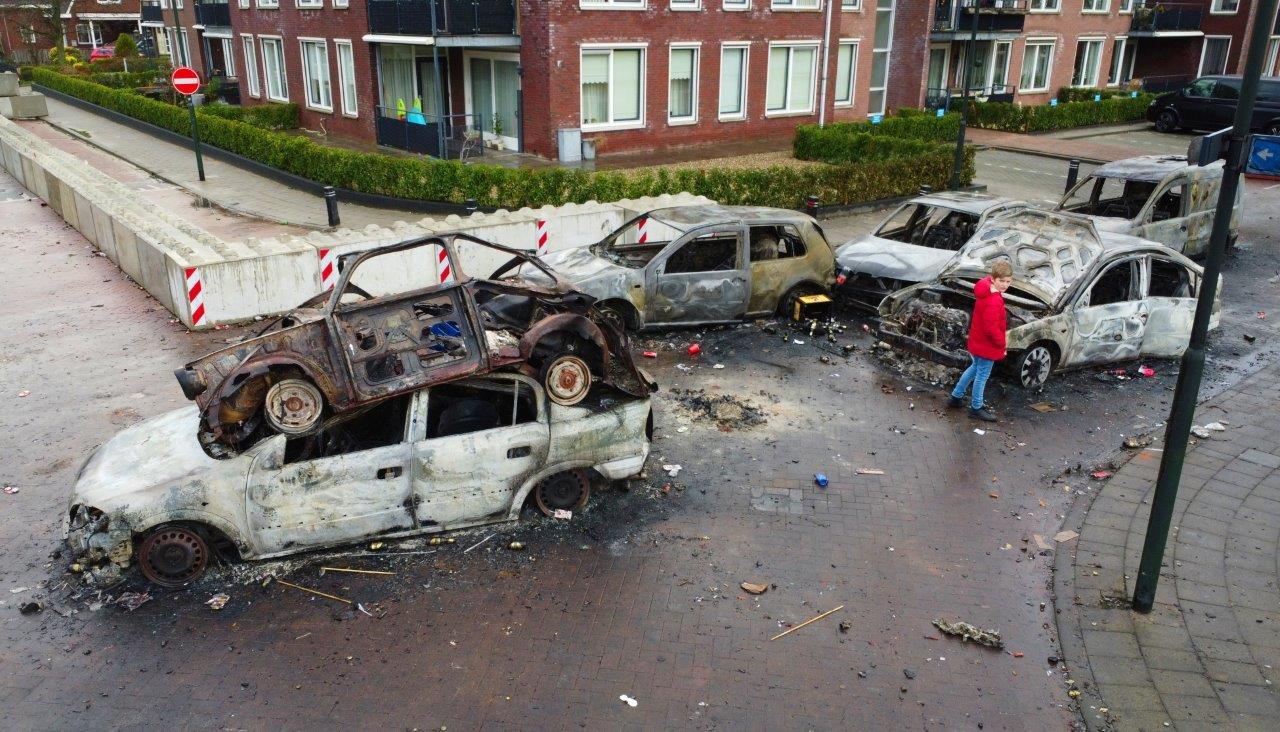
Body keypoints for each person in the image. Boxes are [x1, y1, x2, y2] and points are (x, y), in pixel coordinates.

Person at [948, 260, 1013, 422]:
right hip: (987, 345)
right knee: (982, 375)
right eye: (1002, 281)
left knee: (974, 368)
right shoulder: (994, 300)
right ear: (993, 279)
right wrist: (1001, 344)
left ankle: (956, 396)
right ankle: (976, 407)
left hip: (977, 341)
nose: (1005, 285)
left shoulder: (984, 289)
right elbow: (991, 328)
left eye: (1008, 281)